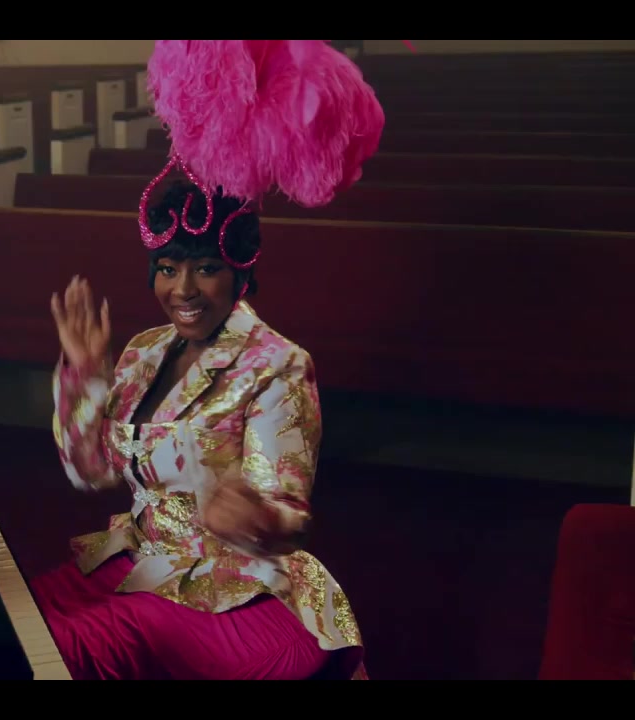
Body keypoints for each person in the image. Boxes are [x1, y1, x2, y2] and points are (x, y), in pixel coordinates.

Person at [27, 40, 385, 681]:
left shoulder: (277, 364)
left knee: (69, 647)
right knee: (19, 623)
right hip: (140, 559)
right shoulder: (142, 351)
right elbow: (90, 472)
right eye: (168, 269)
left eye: (206, 269)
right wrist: (84, 375)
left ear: (240, 273)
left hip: (236, 589)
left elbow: (287, 510)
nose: (183, 290)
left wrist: (255, 520)